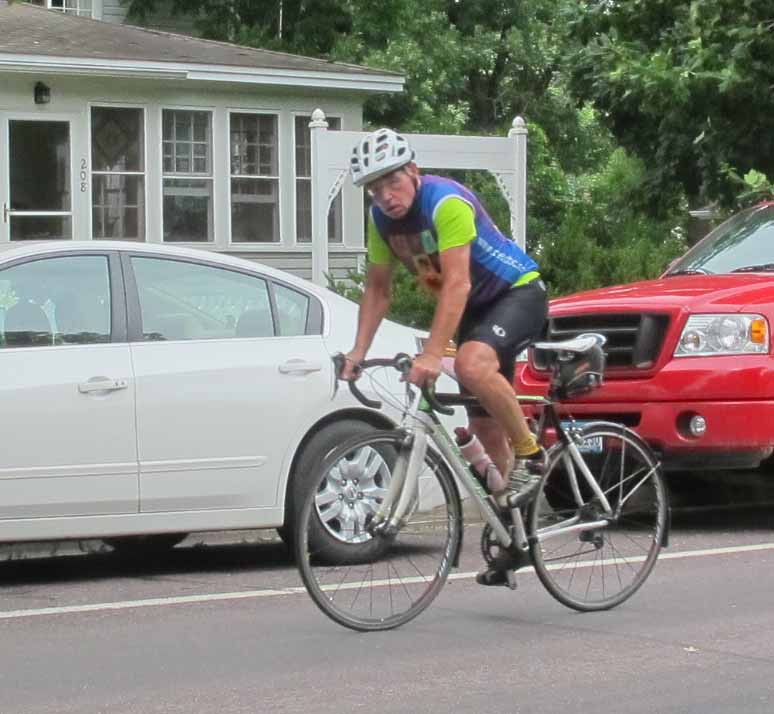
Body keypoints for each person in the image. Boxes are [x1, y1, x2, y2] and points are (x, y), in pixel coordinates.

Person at [340, 128, 548, 585]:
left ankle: (533, 455)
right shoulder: (381, 223)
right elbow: (378, 289)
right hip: (475, 311)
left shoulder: (445, 203)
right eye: (375, 190)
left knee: (471, 366)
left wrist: (434, 354)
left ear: (413, 172)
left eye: (392, 182)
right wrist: (357, 352)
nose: (386, 196)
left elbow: (456, 284)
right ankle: (517, 541)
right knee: (486, 434)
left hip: (516, 294)